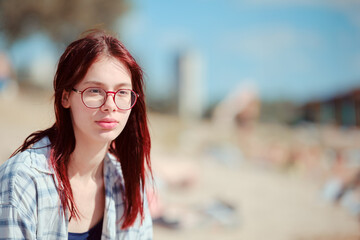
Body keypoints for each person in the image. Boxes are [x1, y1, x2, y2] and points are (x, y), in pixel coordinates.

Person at [0, 29, 153, 239]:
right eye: (94, 91)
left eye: (122, 92)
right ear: (65, 98)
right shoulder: (23, 180)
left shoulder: (127, 183)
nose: (110, 105)